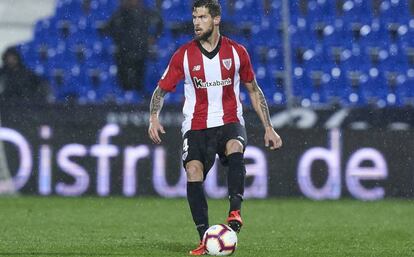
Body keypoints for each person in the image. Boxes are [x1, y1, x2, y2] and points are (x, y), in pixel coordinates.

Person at [147, 0, 282, 255]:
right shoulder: (184, 55)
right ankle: (205, 238)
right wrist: (153, 117)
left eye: (202, 17)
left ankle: (235, 210)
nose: (196, 22)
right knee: (193, 170)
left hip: (229, 119)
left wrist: (269, 127)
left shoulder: (237, 52)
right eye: (194, 17)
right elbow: (161, 89)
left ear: (216, 19)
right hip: (197, 124)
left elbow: (253, 90)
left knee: (234, 147)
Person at [103, 0, 163, 97]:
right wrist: (119, 40)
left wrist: (154, 37)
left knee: (140, 82)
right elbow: (109, 29)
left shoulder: (145, 13)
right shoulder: (119, 14)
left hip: (141, 54)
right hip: (123, 55)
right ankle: (126, 102)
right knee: (124, 83)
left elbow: (159, 23)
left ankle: (139, 101)